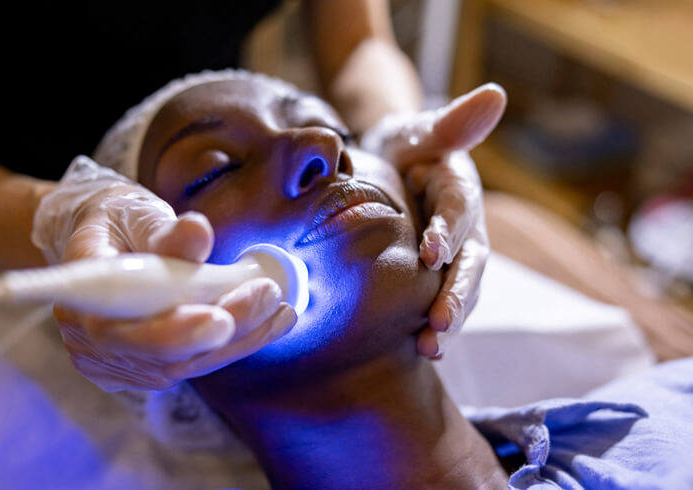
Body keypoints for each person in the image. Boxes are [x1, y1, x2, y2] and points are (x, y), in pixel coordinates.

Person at [81, 69, 693, 489]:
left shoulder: (665, 408)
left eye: (341, 130)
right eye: (215, 171)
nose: (322, 144)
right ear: (162, 333)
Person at [0, 0, 488, 388]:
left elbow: (358, 44)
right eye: (214, 169)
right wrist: (60, 217)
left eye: (322, 122)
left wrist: (397, 135)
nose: (323, 145)